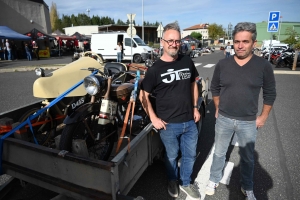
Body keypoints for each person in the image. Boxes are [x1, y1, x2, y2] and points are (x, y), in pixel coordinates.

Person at [205, 22, 276, 200]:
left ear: (254, 43)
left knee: (247, 158)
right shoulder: (223, 64)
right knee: (219, 153)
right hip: (224, 119)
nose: (240, 45)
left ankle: (247, 186)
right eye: (237, 41)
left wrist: (263, 117)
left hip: (248, 122)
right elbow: (215, 88)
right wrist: (218, 107)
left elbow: (270, 94)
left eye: (245, 41)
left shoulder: (263, 66)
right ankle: (214, 179)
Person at [139, 22, 201, 200]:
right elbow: (144, 94)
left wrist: (196, 107)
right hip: (168, 124)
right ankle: (172, 180)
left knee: (189, 154)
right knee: (172, 156)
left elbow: (193, 84)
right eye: (170, 41)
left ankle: (186, 182)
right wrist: (153, 118)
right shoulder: (155, 69)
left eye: (177, 41)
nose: (174, 44)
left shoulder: (187, 61)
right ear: (162, 42)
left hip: (189, 120)